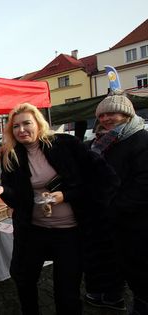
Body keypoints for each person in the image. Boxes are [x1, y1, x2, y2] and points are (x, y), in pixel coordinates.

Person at [0, 103, 118, 315]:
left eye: (26, 123)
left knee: (66, 291)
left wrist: (66, 195)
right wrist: (2, 190)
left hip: (70, 231)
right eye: (16, 126)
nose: (21, 130)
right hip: (32, 231)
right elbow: (18, 200)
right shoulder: (10, 155)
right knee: (24, 281)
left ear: (39, 124)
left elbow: (102, 180)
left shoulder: (66, 145)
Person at [86, 90, 148, 315]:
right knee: (115, 261)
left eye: (112, 114)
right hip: (109, 218)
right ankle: (113, 296)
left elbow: (143, 184)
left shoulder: (140, 139)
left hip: (134, 220)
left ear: (127, 115)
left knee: (138, 267)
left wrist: (114, 207)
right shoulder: (103, 142)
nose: (105, 119)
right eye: (102, 115)